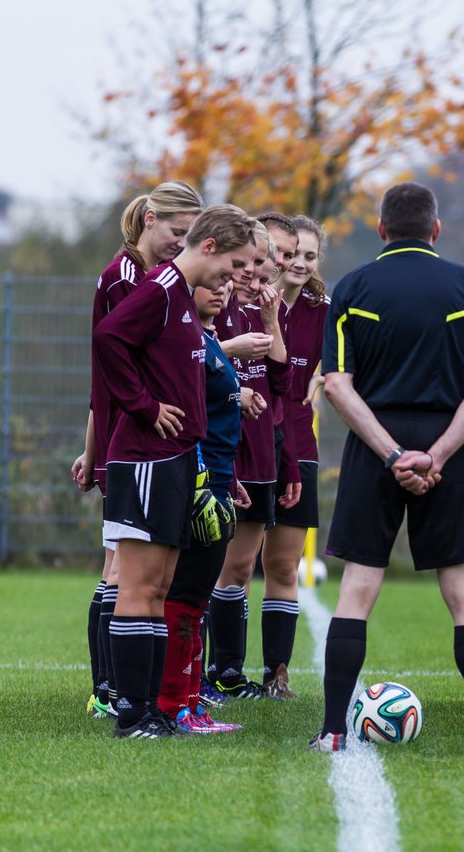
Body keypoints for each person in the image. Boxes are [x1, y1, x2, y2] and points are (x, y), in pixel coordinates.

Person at [312, 182, 464, 757]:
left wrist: (390, 454)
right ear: (436, 229)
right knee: (463, 594)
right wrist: (440, 454)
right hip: (444, 446)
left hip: (372, 446)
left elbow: (337, 385)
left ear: (381, 229)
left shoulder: (351, 288)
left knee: (357, 589)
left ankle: (331, 732)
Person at [93, 204, 258, 738]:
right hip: (145, 457)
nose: (233, 278)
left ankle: (156, 713)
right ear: (208, 247)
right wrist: (143, 406)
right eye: (232, 265)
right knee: (140, 588)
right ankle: (131, 714)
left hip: (178, 460)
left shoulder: (181, 299)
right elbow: (109, 338)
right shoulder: (162, 287)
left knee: (160, 587)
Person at [72, 180, 203, 719]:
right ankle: (112, 692)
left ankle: (119, 692)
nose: (181, 244)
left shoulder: (157, 278)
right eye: (177, 232)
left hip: (138, 441)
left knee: (127, 571)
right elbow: (113, 368)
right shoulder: (130, 277)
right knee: (122, 572)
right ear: (150, 218)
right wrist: (101, 445)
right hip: (137, 445)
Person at [157, 274, 250, 734]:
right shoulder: (188, 340)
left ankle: (192, 704)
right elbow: (186, 415)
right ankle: (173, 705)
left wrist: (228, 479)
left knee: (196, 603)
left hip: (217, 481)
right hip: (197, 485)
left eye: (228, 283)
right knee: (184, 599)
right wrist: (199, 483)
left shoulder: (208, 340)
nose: (224, 289)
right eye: (213, 282)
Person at [208, 223, 292, 700]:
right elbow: (189, 365)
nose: (256, 272)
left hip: (261, 456)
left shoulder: (258, 311)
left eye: (263, 264)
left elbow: (280, 384)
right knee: (211, 567)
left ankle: (227, 673)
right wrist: (232, 377)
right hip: (223, 453)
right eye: (251, 262)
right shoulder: (211, 305)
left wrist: (272, 324)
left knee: (239, 570)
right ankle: (214, 672)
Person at [258, 213, 329, 699]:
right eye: (291, 253)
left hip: (298, 446)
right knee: (232, 567)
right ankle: (221, 672)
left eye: (309, 255)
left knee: (284, 566)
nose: (297, 263)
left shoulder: (323, 308)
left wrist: (332, 378)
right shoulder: (243, 295)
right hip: (249, 440)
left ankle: (276, 674)